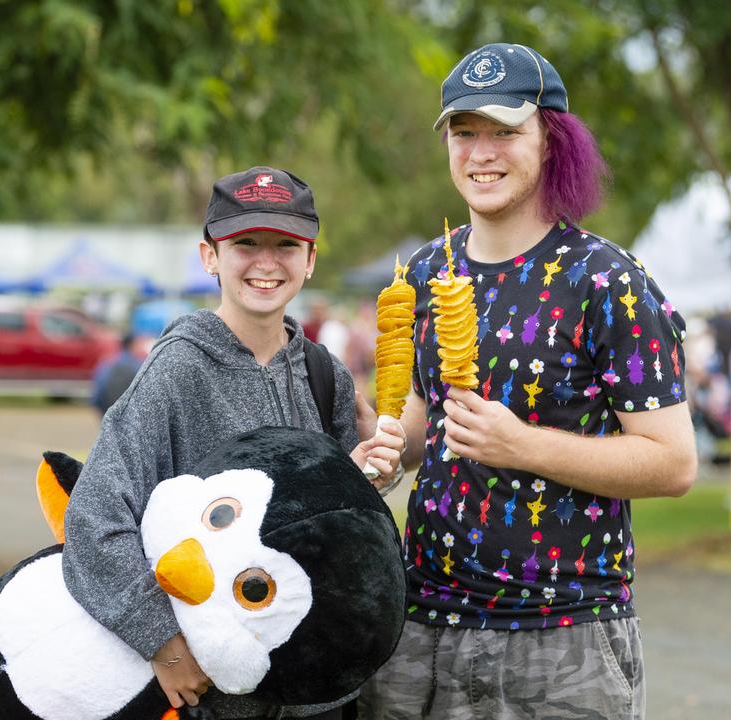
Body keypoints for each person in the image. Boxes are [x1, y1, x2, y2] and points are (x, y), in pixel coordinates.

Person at [358, 43, 697, 719]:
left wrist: (523, 445)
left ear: (552, 140)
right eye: (464, 132)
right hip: (421, 628)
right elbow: (432, 423)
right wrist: (389, 446)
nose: (480, 152)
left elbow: (674, 463)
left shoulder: (607, 282)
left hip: (561, 640)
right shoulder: (428, 271)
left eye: (504, 132)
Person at [61, 165, 406, 718]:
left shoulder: (325, 374)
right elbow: (95, 518)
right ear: (210, 256)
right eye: (246, 242)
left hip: (316, 695)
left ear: (310, 259)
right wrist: (165, 645)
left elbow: (324, 531)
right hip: (214, 698)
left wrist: (364, 476)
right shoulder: (177, 371)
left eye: (286, 245)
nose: (266, 262)